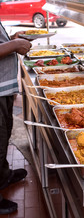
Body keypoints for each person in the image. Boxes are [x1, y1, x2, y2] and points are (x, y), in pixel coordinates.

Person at [0, 22, 32, 215]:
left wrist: (10, 40)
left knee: (3, 136)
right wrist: (14, 46)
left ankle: (3, 176)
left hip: (2, 87)